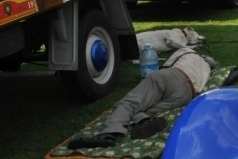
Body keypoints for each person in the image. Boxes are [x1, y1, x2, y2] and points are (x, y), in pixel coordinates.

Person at [68, 48, 218, 148]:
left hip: (171, 75)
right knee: (149, 110)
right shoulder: (207, 70)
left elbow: (165, 67)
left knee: (130, 102)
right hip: (186, 94)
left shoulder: (186, 52)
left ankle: (108, 133)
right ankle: (144, 120)